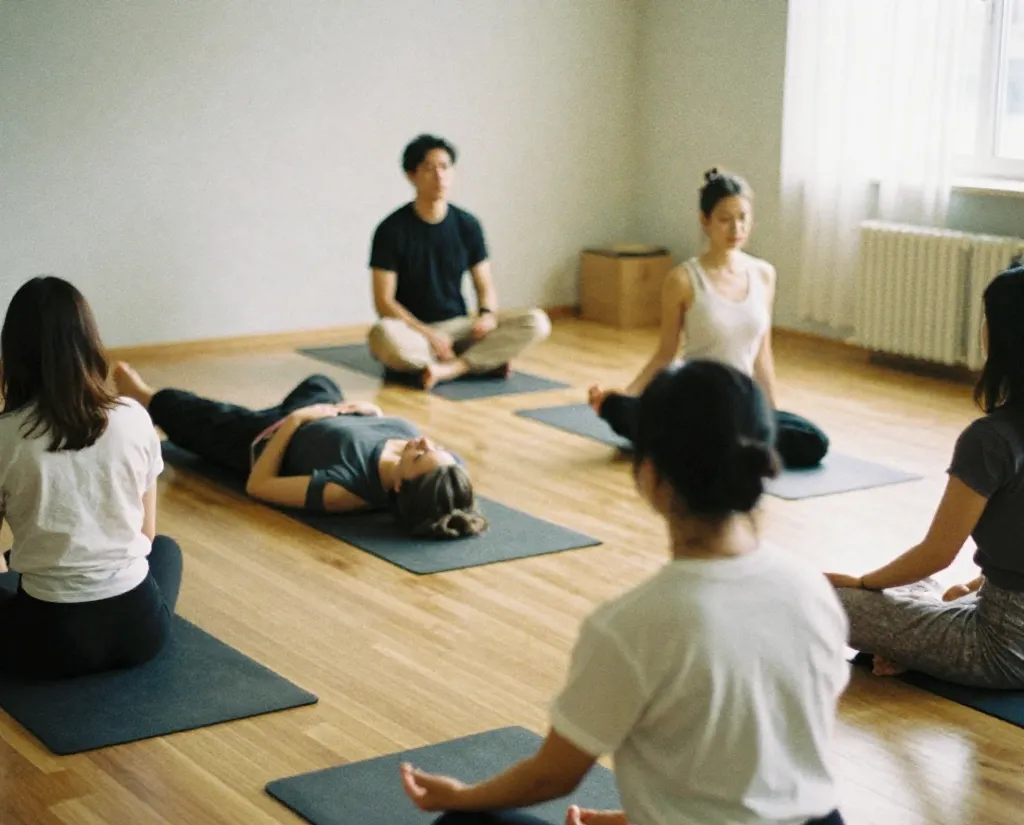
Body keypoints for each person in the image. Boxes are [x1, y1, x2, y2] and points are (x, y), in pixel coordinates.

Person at [402, 361, 855, 825]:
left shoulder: (633, 623)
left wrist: (458, 795)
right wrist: (637, 813)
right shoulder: (810, 586)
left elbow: (553, 777)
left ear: (650, 476)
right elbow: (770, 740)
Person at [827, 264, 1024, 689]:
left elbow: (937, 551)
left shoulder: (991, 439)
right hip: (1001, 609)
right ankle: (916, 645)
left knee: (825, 600)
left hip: (1002, 650)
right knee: (940, 590)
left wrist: (861, 584)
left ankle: (912, 645)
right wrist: (977, 584)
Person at [0, 278, 182, 680]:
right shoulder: (135, 417)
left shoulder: (5, 435)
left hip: (49, 645)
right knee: (167, 550)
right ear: (89, 342)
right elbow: (146, 537)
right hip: (139, 634)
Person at [588, 169, 829, 469]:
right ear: (705, 221)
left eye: (742, 218)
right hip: (696, 400)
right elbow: (665, 354)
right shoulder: (683, 280)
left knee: (813, 440)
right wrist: (628, 393)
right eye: (725, 219)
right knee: (624, 411)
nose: (735, 228)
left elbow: (762, 355)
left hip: (742, 403)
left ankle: (708, 444)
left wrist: (769, 415)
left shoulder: (764, 275)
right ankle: (707, 440)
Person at [112, 364, 489, 540]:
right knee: (321, 381)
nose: (424, 443)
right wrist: (368, 413)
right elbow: (451, 483)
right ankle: (282, 412)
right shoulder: (443, 472)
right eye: (435, 447)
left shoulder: (348, 490)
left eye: (421, 457)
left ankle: (143, 396)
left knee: (201, 416)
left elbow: (259, 485)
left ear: (399, 489)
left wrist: (294, 423)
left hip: (262, 439)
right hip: (325, 412)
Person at [368, 134, 551, 389]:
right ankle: (481, 362)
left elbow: (485, 286)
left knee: (536, 321)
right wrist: (428, 334)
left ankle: (452, 368)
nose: (439, 176)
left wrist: (487, 315)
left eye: (445, 167)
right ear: (412, 175)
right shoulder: (391, 230)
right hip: (415, 331)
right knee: (382, 336)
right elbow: (384, 303)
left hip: (460, 328)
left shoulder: (467, 225)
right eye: (429, 169)